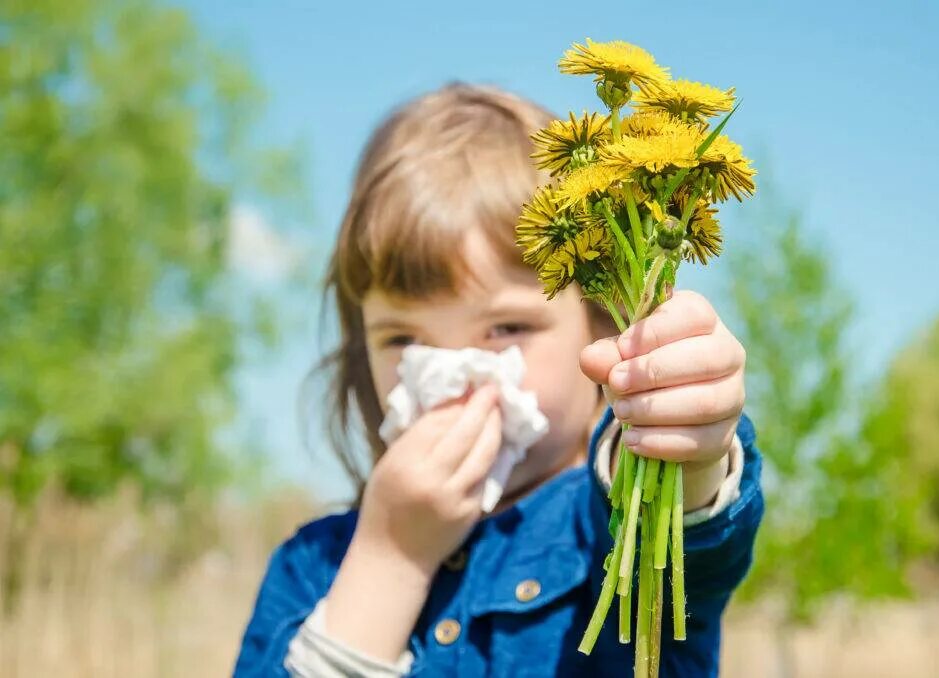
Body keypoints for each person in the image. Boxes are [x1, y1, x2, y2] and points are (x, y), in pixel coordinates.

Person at [233, 82, 763, 677]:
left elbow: (688, 542)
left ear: (600, 325)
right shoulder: (312, 570)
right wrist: (390, 558)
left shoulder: (602, 527)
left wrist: (683, 443)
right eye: (403, 340)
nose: (459, 378)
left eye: (507, 327)